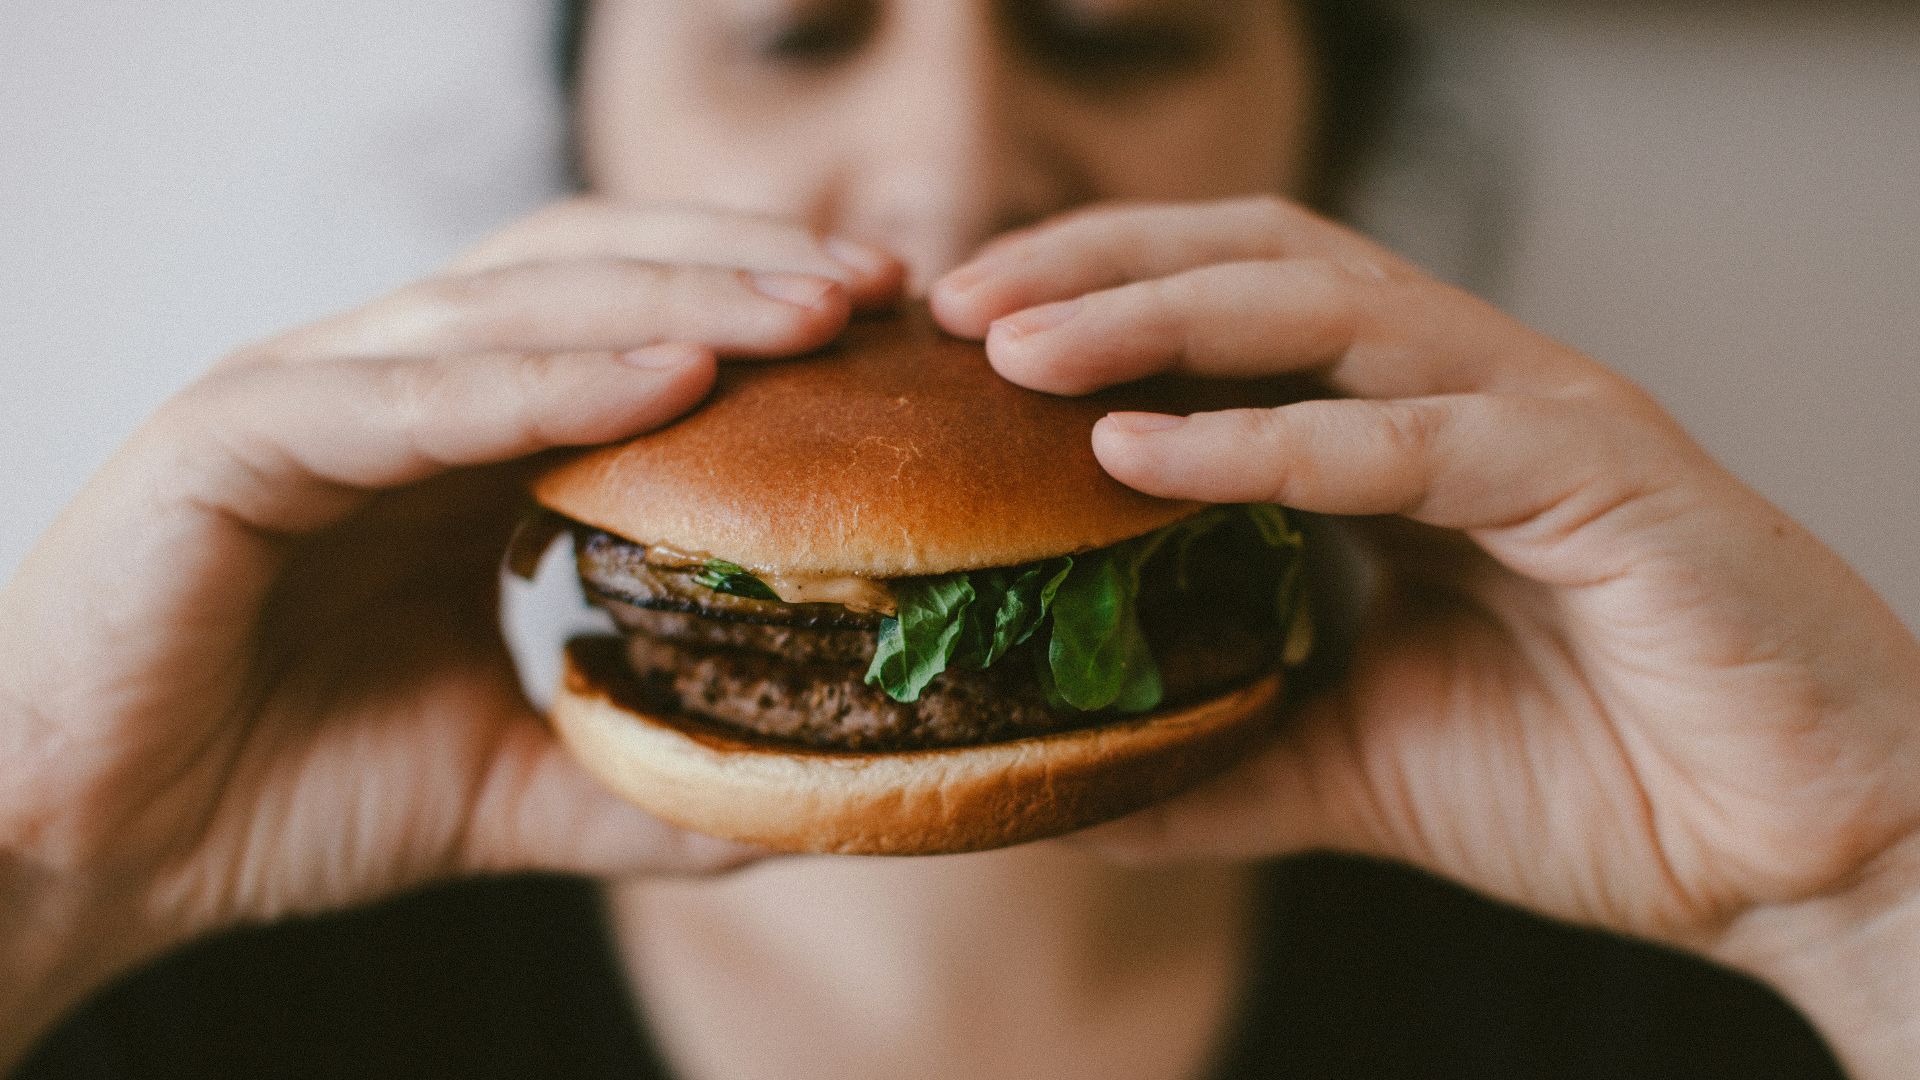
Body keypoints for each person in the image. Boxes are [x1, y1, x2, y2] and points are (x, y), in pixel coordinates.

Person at [3, 1, 1915, 1076]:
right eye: (790, 32)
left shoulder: (1677, 998)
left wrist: (1873, 893)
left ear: (1320, 158)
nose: (952, 167)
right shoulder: (198, 996)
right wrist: (42, 868)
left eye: (1123, 35)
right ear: (587, 157)